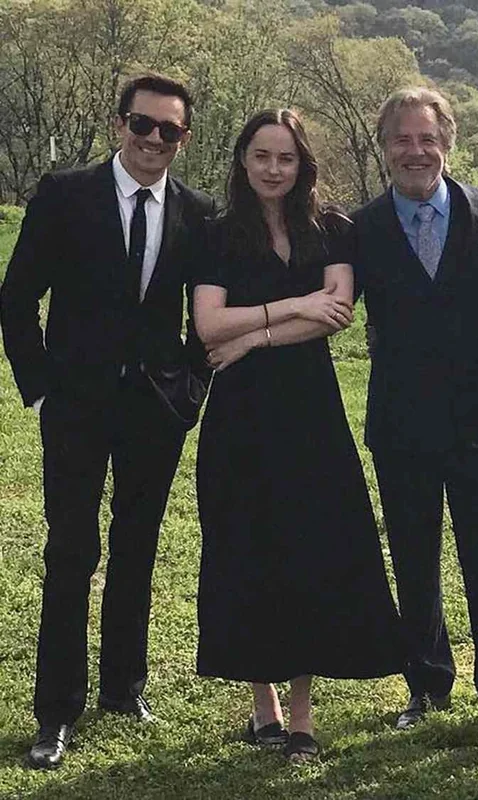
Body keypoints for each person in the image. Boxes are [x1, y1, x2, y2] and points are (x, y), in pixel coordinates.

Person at [0, 73, 215, 769]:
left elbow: (204, 314)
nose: (154, 139)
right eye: (142, 125)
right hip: (76, 407)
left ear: (184, 138)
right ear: (119, 123)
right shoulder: (65, 197)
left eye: (169, 130)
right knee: (70, 552)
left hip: (156, 409)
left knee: (137, 548)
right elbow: (16, 298)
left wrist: (192, 388)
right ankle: (55, 711)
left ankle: (124, 688)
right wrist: (40, 390)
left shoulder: (196, 211)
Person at [191, 109, 404, 762]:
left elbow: (334, 312)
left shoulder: (332, 228)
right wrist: (289, 306)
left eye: (285, 158)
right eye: (261, 156)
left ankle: (304, 716)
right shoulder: (218, 233)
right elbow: (206, 327)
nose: (274, 169)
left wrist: (253, 334)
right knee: (249, 547)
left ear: (302, 163)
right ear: (243, 161)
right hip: (240, 417)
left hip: (311, 412)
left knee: (314, 548)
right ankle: (265, 709)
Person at [350, 87, 478, 731]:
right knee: (415, 558)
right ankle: (427, 683)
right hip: (400, 418)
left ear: (447, 144)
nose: (415, 151)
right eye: (402, 138)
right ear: (385, 147)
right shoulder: (360, 227)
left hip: (477, 412)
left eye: (427, 138)